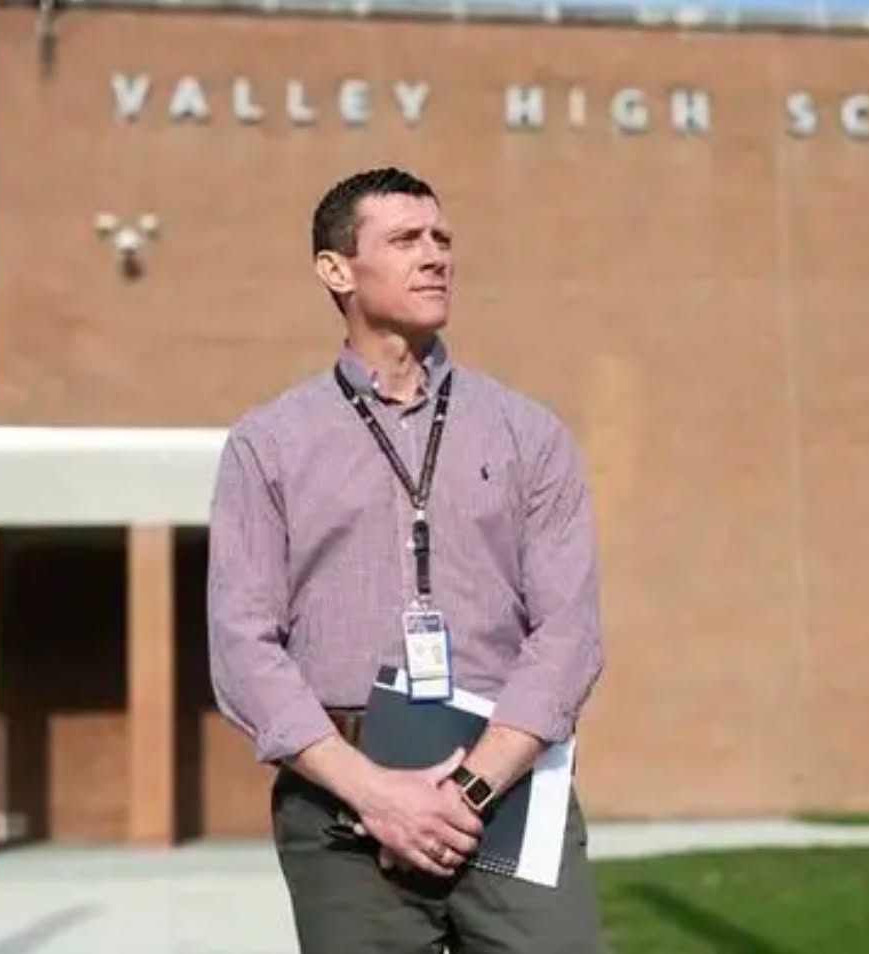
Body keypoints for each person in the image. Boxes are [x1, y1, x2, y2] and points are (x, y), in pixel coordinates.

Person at [206, 166, 607, 953]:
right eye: (405, 240)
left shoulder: (529, 435)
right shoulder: (269, 445)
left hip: (510, 789)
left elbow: (570, 633)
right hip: (342, 807)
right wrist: (377, 795)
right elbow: (242, 646)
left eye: (442, 239)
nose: (436, 256)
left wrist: (466, 792)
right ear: (336, 270)